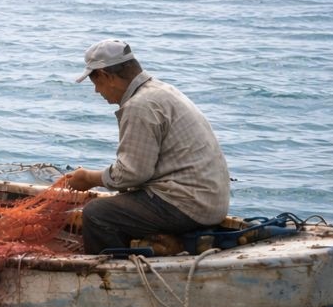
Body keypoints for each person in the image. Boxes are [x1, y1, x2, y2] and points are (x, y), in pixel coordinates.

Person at [64, 39, 230, 254]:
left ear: (107, 76)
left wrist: (88, 178)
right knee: (121, 203)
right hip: (211, 201)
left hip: (190, 206)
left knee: (97, 214)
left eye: (96, 83)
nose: (97, 91)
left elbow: (132, 174)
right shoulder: (162, 90)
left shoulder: (140, 106)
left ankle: (114, 275)